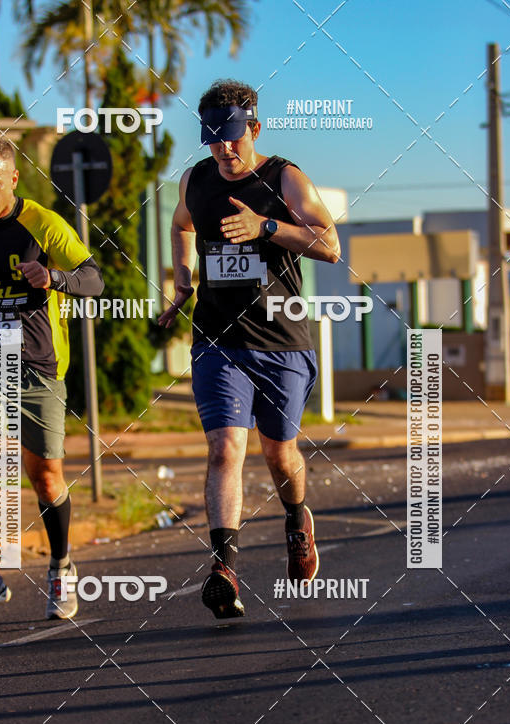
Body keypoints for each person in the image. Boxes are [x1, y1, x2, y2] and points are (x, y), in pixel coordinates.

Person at [159, 79, 340, 620]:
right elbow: (179, 226)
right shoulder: (197, 180)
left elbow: (329, 245)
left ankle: (297, 517)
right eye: (214, 139)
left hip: (281, 341)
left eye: (234, 137)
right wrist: (183, 284)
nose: (225, 149)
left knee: (278, 452)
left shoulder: (285, 176)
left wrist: (265, 226)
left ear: (255, 129)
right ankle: (224, 568)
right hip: (218, 339)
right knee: (224, 449)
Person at [0, 137, 104, 622]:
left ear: (13, 178)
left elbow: (94, 280)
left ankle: (61, 565)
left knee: (44, 476)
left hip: (35, 366)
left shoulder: (44, 224)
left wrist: (53, 280)